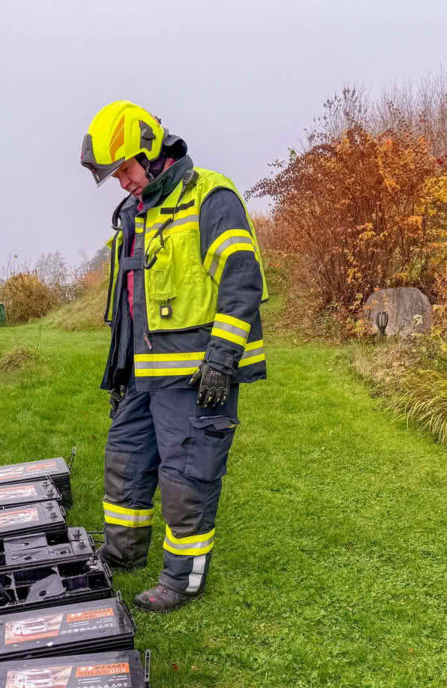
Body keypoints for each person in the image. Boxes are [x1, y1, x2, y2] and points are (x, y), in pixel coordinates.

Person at [80, 101, 267, 612]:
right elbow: (131, 298)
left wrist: (223, 358)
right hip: (144, 375)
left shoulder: (211, 197)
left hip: (195, 376)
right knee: (125, 463)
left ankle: (182, 578)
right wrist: (121, 367)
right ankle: (123, 553)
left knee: (187, 478)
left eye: (124, 169)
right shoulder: (137, 214)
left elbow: (242, 280)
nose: (122, 182)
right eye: (115, 175)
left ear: (151, 151)